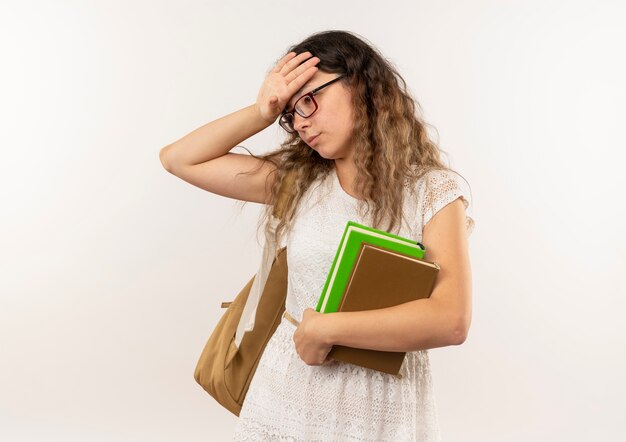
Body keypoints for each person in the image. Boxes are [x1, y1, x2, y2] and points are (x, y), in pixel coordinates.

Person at [160, 30, 474, 442]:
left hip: (383, 407)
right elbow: (179, 159)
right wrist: (262, 110)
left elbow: (451, 320)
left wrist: (326, 330)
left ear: (360, 86)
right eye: (290, 113)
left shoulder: (431, 191)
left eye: (309, 99)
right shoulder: (298, 182)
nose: (300, 122)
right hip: (287, 396)